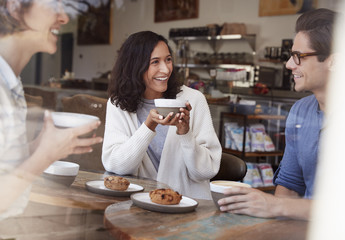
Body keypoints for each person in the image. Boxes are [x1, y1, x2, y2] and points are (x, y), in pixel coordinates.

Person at [218, 8, 336, 220]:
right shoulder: (301, 111)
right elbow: (290, 187)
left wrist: (274, 206)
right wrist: (267, 210)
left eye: (298, 56)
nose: (289, 64)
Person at [0, 0, 103, 220]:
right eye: (55, 3)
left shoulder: (11, 83)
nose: (65, 18)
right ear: (16, 6)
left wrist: (34, 149)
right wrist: (44, 156)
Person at [102, 31, 222, 200]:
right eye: (155, 62)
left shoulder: (193, 100)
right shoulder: (118, 104)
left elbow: (206, 171)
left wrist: (185, 134)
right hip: (140, 208)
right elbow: (117, 166)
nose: (166, 69)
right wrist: (148, 126)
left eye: (168, 59)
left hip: (190, 208)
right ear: (135, 66)